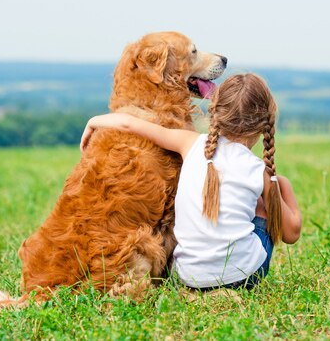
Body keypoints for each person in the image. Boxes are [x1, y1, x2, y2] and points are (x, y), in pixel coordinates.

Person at [80, 73, 302, 290]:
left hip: (186, 276)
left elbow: (129, 124)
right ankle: (232, 270)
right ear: (265, 123)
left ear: (214, 112)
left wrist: (93, 121)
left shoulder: (189, 143)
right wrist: (281, 184)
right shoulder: (258, 171)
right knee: (262, 204)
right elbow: (291, 233)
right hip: (243, 278)